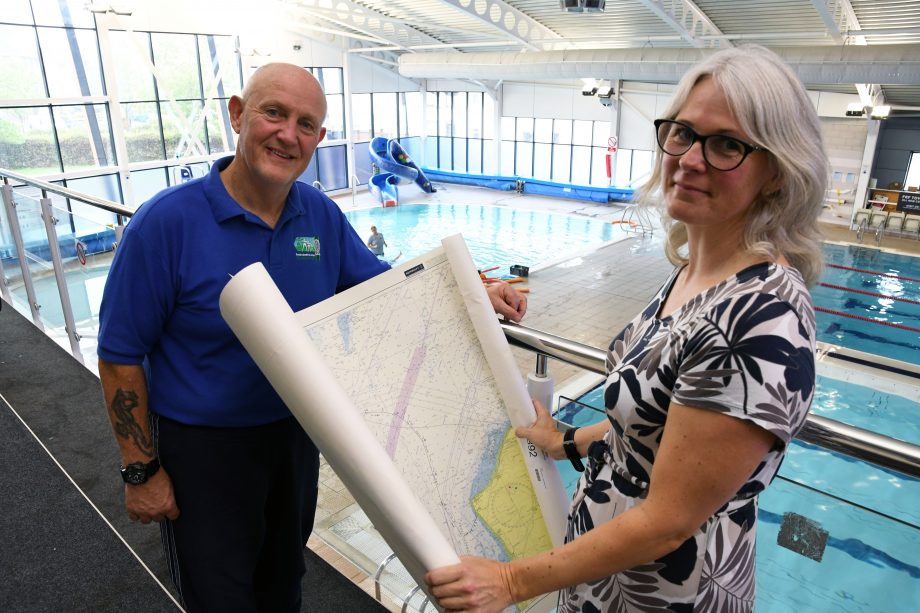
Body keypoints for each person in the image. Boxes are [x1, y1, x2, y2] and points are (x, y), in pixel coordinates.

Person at [96, 62, 527, 613]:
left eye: (305, 124)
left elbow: (388, 291)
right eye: (273, 113)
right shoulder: (165, 223)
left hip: (296, 438)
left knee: (283, 582)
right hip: (203, 449)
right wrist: (141, 470)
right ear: (237, 115)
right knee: (218, 595)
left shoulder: (318, 214)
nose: (288, 134)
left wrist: (476, 291)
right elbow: (119, 354)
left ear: (319, 138)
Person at [426, 44, 826, 612]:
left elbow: (668, 522)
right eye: (683, 133)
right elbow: (650, 429)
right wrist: (565, 441)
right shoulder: (697, 274)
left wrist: (511, 582)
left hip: (664, 595)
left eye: (727, 145)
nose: (691, 158)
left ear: (776, 174)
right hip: (609, 579)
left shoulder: (762, 316)